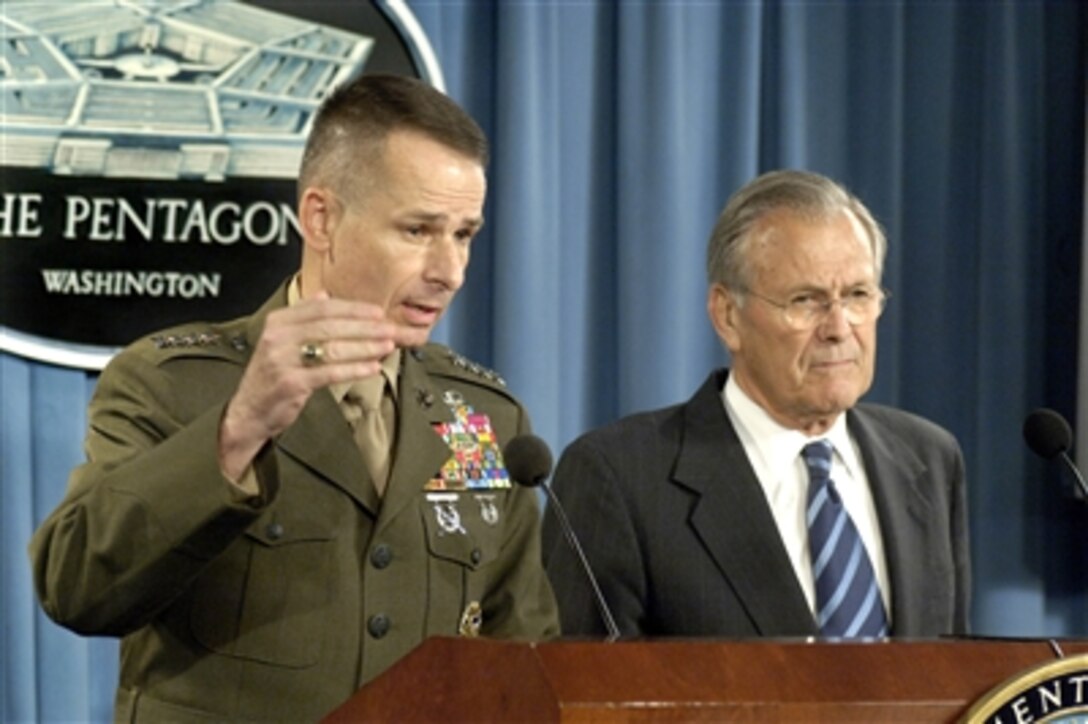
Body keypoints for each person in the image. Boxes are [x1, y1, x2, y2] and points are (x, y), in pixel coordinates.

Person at [29, 73, 559, 722]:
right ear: (321, 217)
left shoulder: (482, 418)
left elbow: (523, 656)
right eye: (419, 230)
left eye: (464, 234)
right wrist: (236, 432)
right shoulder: (172, 383)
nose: (449, 271)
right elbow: (75, 589)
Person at [543, 169, 969, 639]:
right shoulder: (621, 478)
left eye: (858, 296)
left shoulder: (928, 459)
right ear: (728, 315)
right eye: (806, 300)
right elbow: (584, 695)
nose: (839, 327)